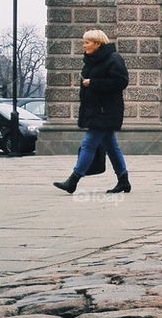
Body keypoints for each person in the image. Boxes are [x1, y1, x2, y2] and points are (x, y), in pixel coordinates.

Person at [54, 29, 131, 195]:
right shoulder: (91, 61)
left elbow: (121, 81)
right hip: (95, 110)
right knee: (111, 146)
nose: (84, 45)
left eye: (87, 42)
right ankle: (123, 181)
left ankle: (73, 181)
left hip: (106, 111)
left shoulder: (113, 58)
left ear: (97, 43)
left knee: (88, 144)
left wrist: (94, 83)